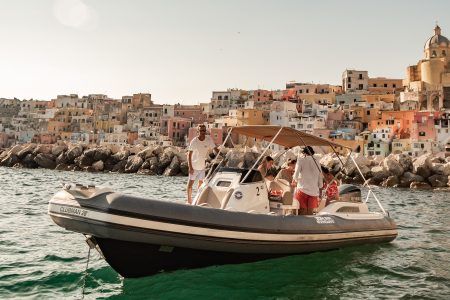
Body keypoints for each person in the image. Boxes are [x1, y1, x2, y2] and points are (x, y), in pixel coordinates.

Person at [187, 124, 218, 204]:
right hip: (193, 166)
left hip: (202, 167)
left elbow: (215, 149)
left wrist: (223, 156)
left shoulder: (208, 139)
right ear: (198, 131)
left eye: (204, 130)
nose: (203, 132)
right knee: (190, 184)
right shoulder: (194, 141)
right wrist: (190, 167)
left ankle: (197, 199)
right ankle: (189, 201)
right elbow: (189, 155)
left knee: (201, 185)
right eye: (201, 131)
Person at [291, 146, 323, 215]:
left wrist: (294, 181)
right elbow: (320, 176)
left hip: (303, 190)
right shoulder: (317, 162)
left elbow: (296, 173)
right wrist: (320, 186)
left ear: (304, 153)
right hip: (314, 191)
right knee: (310, 213)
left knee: (302, 212)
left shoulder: (301, 160)